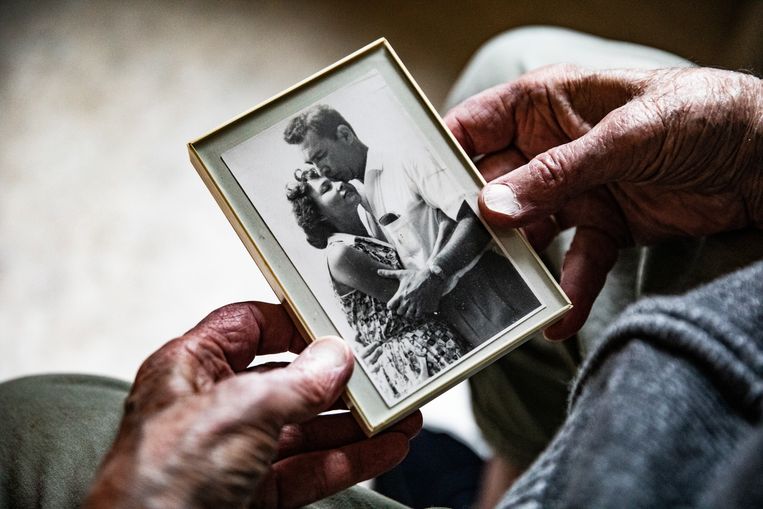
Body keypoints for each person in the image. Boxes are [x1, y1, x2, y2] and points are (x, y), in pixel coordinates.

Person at [1, 27, 760, 509]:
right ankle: (509, 472)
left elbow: (434, 246)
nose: (323, 170)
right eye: (319, 178)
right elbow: (400, 261)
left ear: (337, 139)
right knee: (510, 61)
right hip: (700, 342)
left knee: (29, 422)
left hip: (662, 441)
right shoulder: (348, 226)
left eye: (322, 158)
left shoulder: (381, 188)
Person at [285, 166, 468, 401]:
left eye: (333, 178)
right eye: (326, 188)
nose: (339, 184)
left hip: (430, 341)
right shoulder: (340, 253)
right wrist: (444, 225)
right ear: (319, 214)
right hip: (416, 356)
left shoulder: (368, 231)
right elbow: (416, 297)